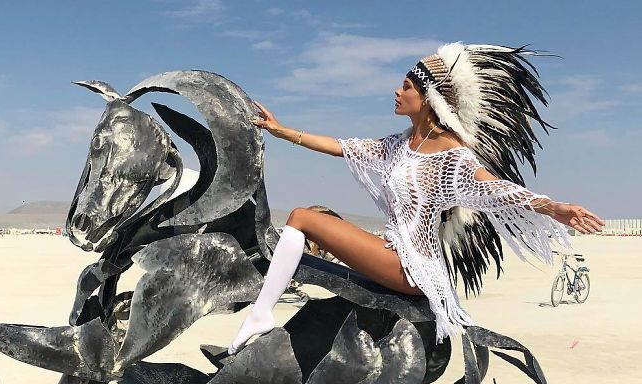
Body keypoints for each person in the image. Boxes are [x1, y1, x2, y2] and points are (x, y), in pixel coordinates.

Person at [227, 42, 603, 354]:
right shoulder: (400, 145)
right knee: (307, 218)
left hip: (412, 267)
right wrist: (282, 132)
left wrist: (553, 207)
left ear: (427, 98)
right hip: (392, 250)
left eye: (406, 86)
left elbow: (496, 189)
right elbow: (341, 146)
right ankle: (265, 310)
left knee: (301, 217)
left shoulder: (453, 156)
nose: (397, 91)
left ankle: (261, 313)